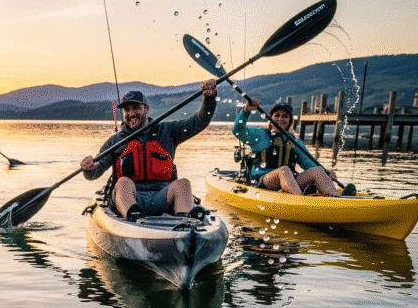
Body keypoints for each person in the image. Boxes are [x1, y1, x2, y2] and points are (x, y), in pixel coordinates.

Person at [80, 81, 218, 221]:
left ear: (146, 109)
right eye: (127, 110)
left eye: (136, 108)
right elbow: (94, 173)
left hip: (162, 196)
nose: (131, 113)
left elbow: (199, 122)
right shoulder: (115, 142)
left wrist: (209, 99)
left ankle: (185, 221)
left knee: (183, 184)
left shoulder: (168, 131)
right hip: (131, 197)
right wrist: (88, 168)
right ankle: (133, 217)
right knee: (123, 183)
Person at [232, 98, 340, 196]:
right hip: (263, 180)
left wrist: (327, 173)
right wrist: (246, 112)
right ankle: (301, 200)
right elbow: (238, 131)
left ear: (290, 121)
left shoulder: (295, 142)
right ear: (270, 118)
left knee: (318, 170)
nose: (280, 119)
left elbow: (310, 164)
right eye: (277, 115)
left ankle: (336, 198)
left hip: (289, 181)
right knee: (284, 170)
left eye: (285, 116)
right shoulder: (259, 134)